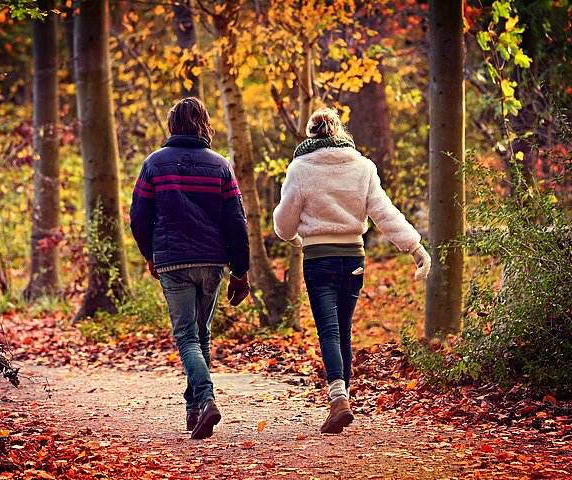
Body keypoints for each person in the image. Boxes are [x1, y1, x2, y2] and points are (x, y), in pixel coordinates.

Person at [273, 107, 430, 434]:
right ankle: (342, 400)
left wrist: (293, 237)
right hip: (353, 258)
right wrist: (415, 247)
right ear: (339, 131)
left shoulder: (300, 168)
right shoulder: (363, 166)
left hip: (318, 258)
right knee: (343, 328)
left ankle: (338, 399)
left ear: (311, 134)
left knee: (328, 330)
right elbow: (384, 213)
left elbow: (284, 222)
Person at [130, 97, 251, 440]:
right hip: (213, 262)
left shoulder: (154, 164)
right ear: (203, 124)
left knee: (186, 336)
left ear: (172, 125)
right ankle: (194, 409)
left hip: (174, 261)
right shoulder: (221, 165)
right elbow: (236, 222)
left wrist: (149, 253)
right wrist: (240, 271)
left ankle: (206, 399)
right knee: (201, 335)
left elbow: (138, 216)